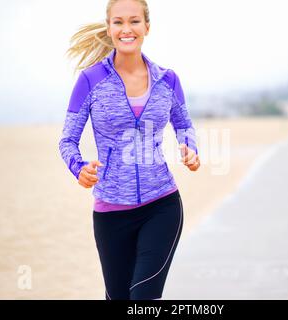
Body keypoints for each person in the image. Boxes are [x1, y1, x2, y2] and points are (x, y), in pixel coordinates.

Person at [59, 0, 200, 300]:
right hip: (110, 214)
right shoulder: (90, 81)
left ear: (147, 27)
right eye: (119, 22)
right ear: (109, 28)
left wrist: (190, 148)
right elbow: (67, 140)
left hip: (161, 205)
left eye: (134, 21)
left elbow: (184, 125)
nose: (127, 29)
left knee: (142, 299)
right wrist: (78, 167)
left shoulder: (167, 80)